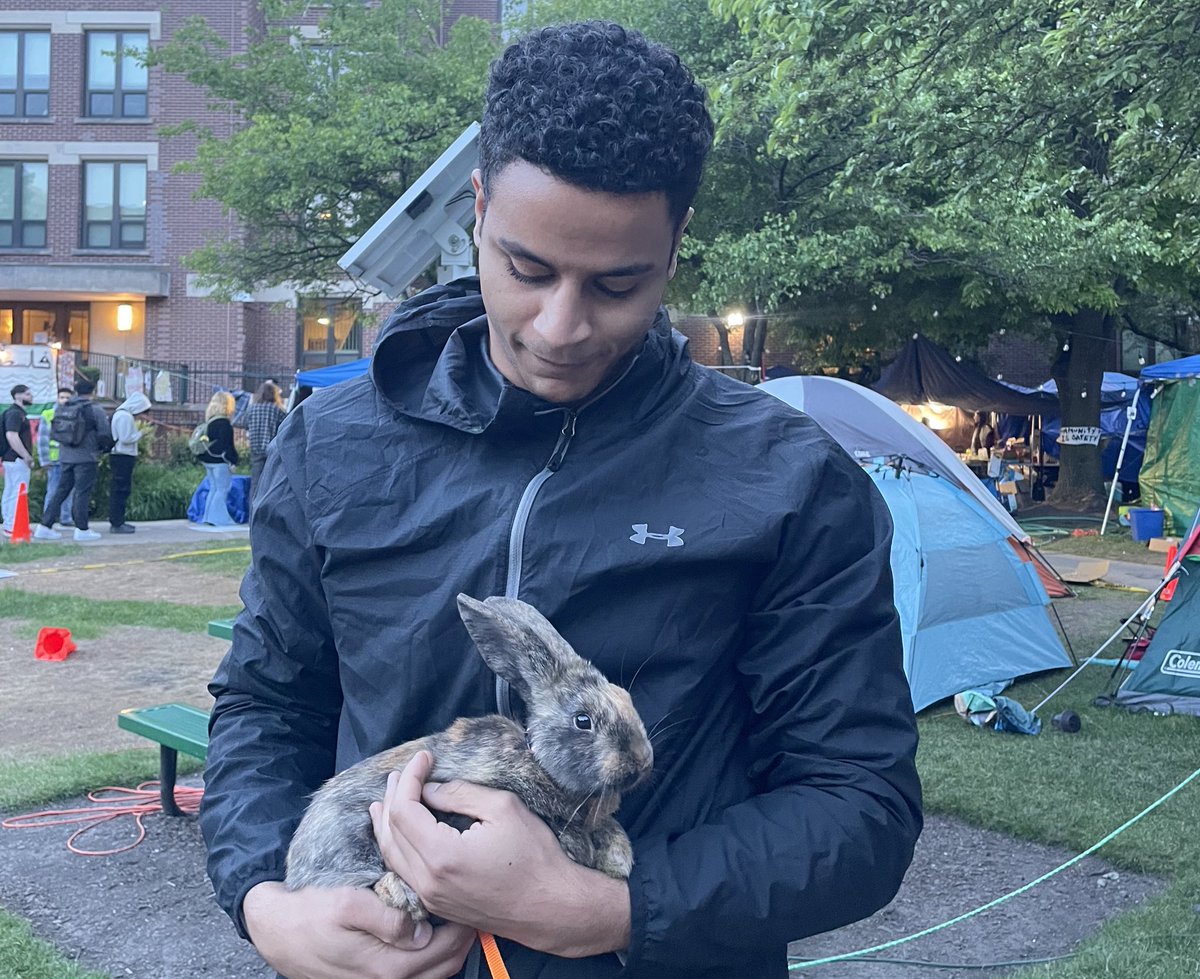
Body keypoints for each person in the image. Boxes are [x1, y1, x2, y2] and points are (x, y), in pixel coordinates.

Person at [201, 21, 921, 979]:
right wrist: (266, 902)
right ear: (478, 208)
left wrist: (608, 908)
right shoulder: (334, 443)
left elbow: (859, 804)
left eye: (618, 285)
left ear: (676, 244)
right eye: (527, 269)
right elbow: (264, 705)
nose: (561, 326)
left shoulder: (790, 478)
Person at [33, 378, 108, 542]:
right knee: (82, 492)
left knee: (61, 491)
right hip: (86, 457)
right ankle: (82, 529)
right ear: (93, 392)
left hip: (65, 456)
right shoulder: (94, 409)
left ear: (76, 392)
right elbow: (104, 433)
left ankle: (44, 526)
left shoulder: (63, 407)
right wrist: (104, 449)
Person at [108, 392, 152, 534]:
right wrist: (141, 433)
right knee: (120, 489)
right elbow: (126, 438)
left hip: (121, 455)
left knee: (121, 489)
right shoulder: (124, 416)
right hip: (122, 455)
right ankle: (117, 522)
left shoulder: (121, 415)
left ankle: (118, 521)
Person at [196, 391, 240, 526]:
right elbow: (227, 446)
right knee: (222, 490)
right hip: (220, 461)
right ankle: (219, 518)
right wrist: (234, 460)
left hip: (208, 460)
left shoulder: (210, 422)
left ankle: (208, 517)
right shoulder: (225, 424)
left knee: (214, 489)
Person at [38, 387, 77, 528]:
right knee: (53, 490)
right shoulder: (48, 414)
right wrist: (44, 460)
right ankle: (48, 519)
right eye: (62, 397)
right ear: (57, 398)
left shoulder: (75, 413)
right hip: (54, 460)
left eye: (68, 397)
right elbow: (42, 439)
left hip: (70, 459)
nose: (65, 400)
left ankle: (65, 517)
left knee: (68, 490)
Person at [2, 384, 36, 536]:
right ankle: (12, 525)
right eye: (28, 394)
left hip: (11, 458)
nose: (31, 397)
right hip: (16, 459)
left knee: (11, 490)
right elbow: (12, 435)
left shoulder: (13, 413)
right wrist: (26, 456)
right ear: (18, 396)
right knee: (17, 491)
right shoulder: (16, 414)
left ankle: (10, 524)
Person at [245, 380, 286, 500]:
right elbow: (287, 423)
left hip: (255, 449)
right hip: (272, 450)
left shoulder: (251, 409)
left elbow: (244, 424)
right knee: (271, 483)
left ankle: (252, 514)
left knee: (255, 483)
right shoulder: (277, 409)